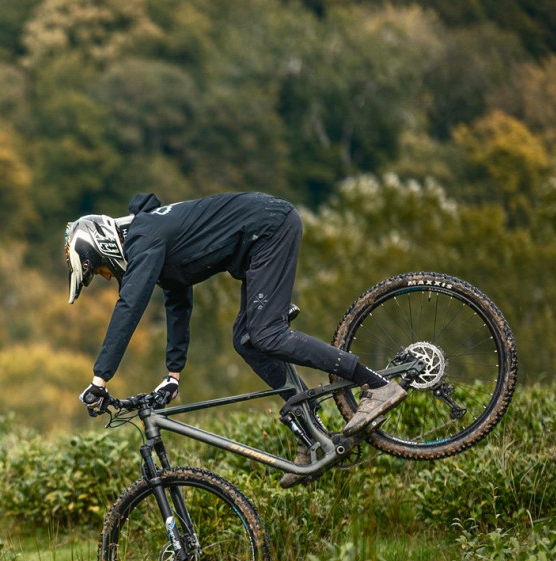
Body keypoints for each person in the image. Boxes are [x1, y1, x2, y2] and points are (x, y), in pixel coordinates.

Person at [64, 191, 405, 486]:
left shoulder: (144, 237)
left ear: (103, 247)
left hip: (270, 228)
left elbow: (129, 307)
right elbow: (178, 303)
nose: (107, 277)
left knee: (267, 335)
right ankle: (311, 430)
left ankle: (375, 385)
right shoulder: (151, 238)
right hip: (260, 240)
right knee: (246, 341)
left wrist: (100, 380)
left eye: (100, 270)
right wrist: (173, 375)